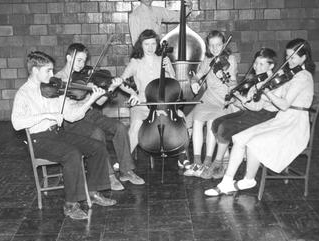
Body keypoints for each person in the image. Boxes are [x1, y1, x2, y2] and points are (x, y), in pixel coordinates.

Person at [11, 51, 117, 220]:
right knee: (72, 154)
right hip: (38, 139)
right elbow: (16, 123)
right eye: (48, 70)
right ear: (35, 71)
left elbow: (72, 116)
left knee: (97, 147)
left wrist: (91, 100)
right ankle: (70, 205)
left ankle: (93, 191)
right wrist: (46, 115)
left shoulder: (52, 89)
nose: (53, 75)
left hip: (57, 134)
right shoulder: (23, 94)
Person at [204, 39, 315, 196]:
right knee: (239, 138)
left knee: (254, 141)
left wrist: (266, 92)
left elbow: (284, 105)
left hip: (294, 124)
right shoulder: (290, 75)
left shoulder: (302, 77)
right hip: (282, 119)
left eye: (293, 57)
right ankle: (226, 182)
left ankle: (249, 179)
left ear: (304, 58)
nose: (289, 61)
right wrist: (259, 94)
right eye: (288, 56)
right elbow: (275, 98)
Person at [55, 43, 145, 188]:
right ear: (68, 58)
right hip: (71, 121)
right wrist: (86, 96)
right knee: (97, 134)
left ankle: (126, 170)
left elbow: (101, 101)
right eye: (78, 60)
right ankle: (108, 175)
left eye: (84, 61)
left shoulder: (84, 78)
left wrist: (112, 87)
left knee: (120, 127)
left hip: (90, 114)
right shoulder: (58, 80)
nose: (82, 64)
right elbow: (67, 111)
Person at [204, 47, 279, 180]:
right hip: (253, 112)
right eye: (255, 63)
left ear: (271, 65)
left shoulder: (270, 83)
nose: (256, 67)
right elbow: (250, 103)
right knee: (217, 123)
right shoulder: (258, 79)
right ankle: (223, 162)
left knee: (225, 127)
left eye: (261, 64)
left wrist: (241, 99)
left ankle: (217, 163)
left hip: (264, 116)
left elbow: (256, 106)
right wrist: (236, 101)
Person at [119, 29, 190, 164]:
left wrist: (168, 70)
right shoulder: (136, 62)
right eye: (147, 44)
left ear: (157, 45)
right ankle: (124, 160)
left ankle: (182, 155)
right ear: (141, 45)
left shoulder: (164, 59)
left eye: (153, 44)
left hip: (163, 102)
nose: (150, 48)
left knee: (180, 116)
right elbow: (121, 81)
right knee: (136, 124)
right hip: (142, 103)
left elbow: (173, 83)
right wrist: (133, 94)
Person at [182, 30, 238, 177]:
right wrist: (194, 83)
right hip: (208, 98)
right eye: (211, 45)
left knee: (212, 122)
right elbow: (198, 76)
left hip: (224, 99)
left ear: (223, 44)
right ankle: (197, 162)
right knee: (197, 120)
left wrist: (224, 78)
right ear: (208, 45)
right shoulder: (207, 60)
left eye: (218, 45)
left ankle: (207, 162)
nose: (215, 49)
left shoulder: (230, 59)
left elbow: (233, 83)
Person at [128, 0, 193, 45]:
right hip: (144, 54)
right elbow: (136, 43)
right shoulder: (134, 16)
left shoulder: (158, 11)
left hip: (158, 52)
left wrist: (188, 7)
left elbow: (177, 17)